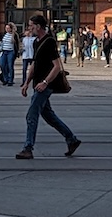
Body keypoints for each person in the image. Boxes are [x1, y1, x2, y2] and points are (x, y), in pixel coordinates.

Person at [17, 14, 81, 160]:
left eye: (31, 25)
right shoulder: (36, 42)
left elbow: (57, 66)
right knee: (49, 116)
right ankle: (71, 139)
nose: (29, 28)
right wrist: (26, 82)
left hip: (45, 86)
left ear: (38, 26)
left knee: (31, 115)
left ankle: (28, 148)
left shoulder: (49, 42)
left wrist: (45, 82)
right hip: (37, 84)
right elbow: (34, 64)